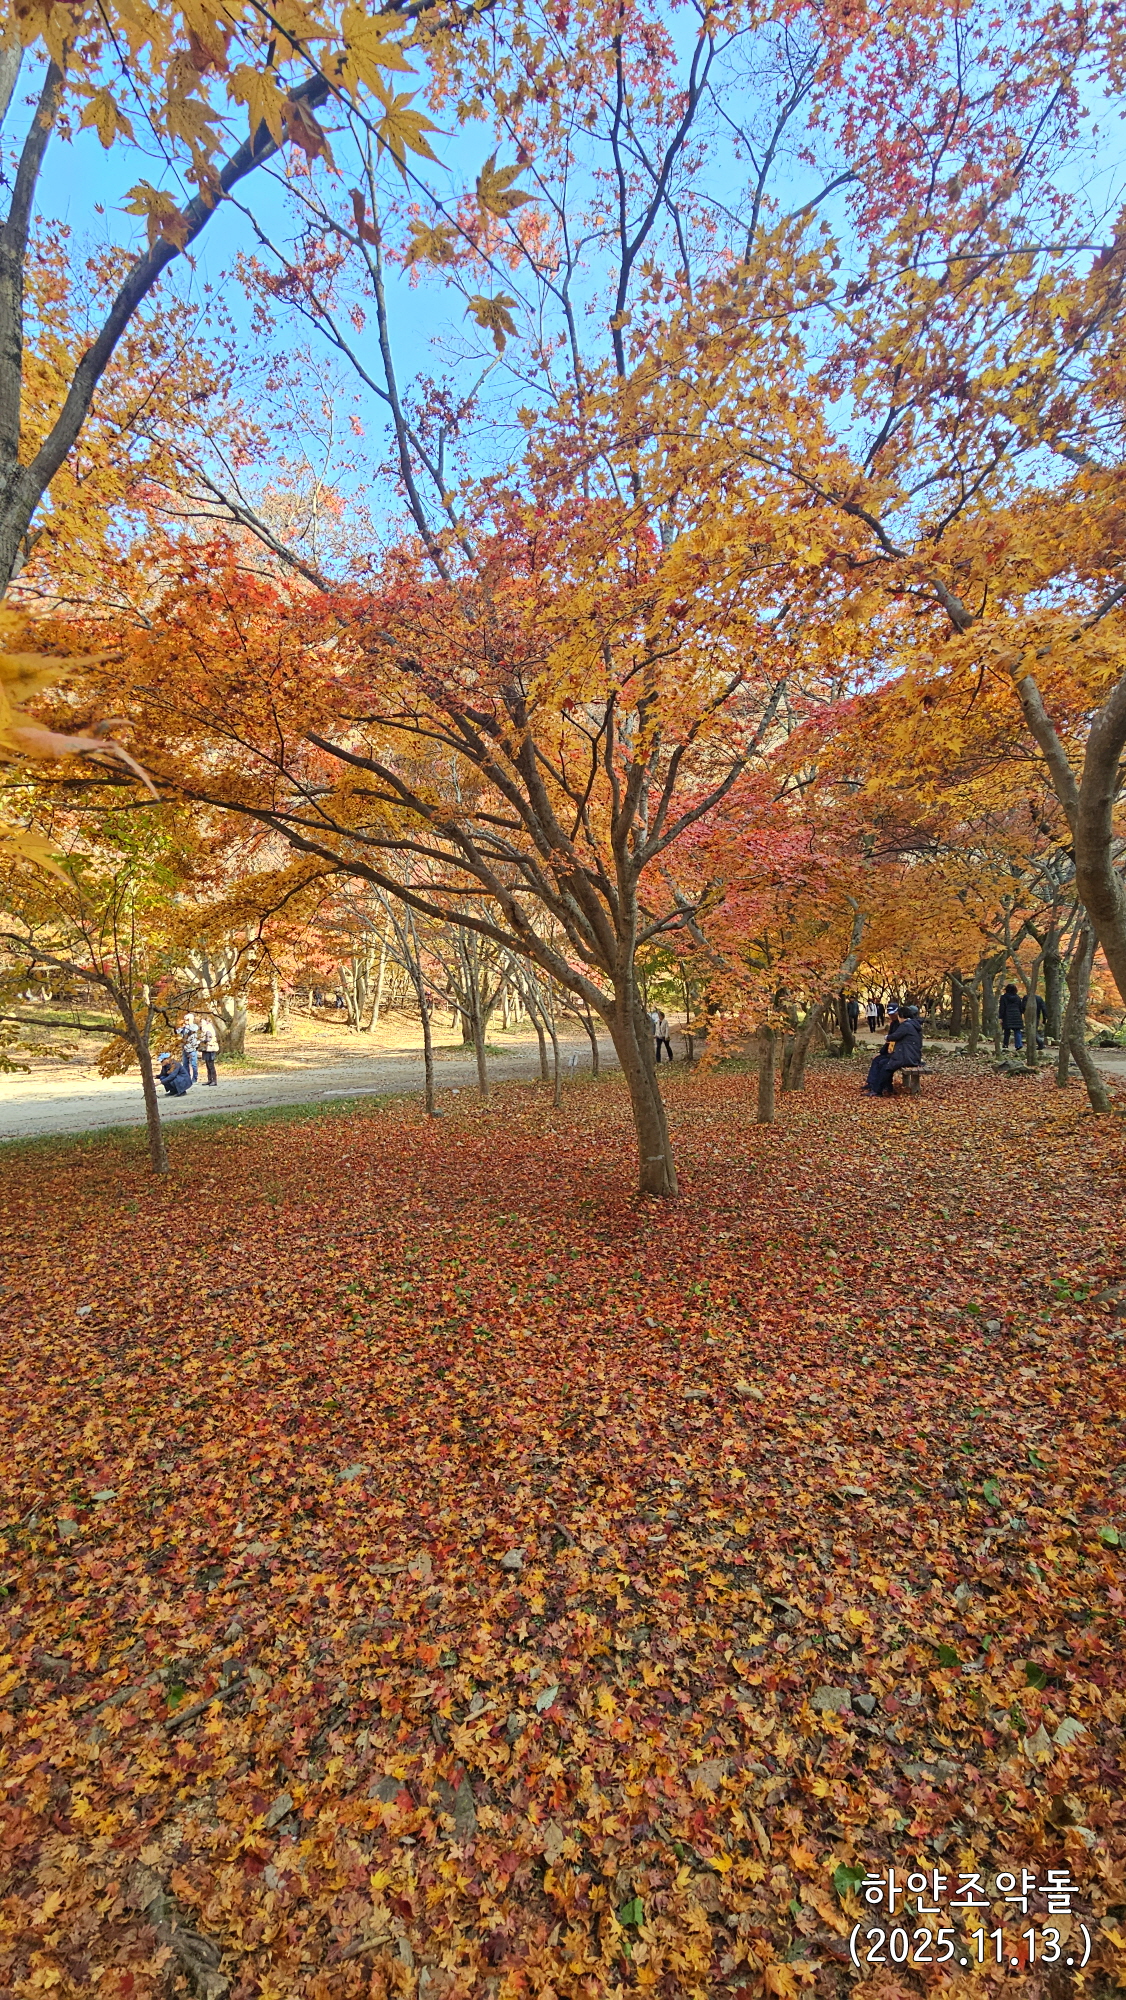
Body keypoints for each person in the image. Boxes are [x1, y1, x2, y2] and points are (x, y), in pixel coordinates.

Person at [861, 1004, 923, 1096]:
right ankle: (879, 1088)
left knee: (886, 1067)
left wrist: (886, 1037)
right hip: (909, 1055)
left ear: (901, 1016)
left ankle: (878, 1090)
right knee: (883, 1063)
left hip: (907, 1057)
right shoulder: (911, 1024)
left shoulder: (906, 1025)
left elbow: (893, 1036)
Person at [999, 982, 1024, 1051]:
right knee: (1017, 1030)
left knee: (1007, 1031)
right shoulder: (1017, 997)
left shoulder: (1004, 997)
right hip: (1017, 1015)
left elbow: (1002, 1008)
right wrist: (1020, 1015)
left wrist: (1001, 1017)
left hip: (1007, 1015)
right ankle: (1019, 1044)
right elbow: (1020, 1007)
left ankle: (1005, 1044)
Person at [198, 1014, 219, 1086]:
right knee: (207, 1065)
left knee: (211, 1065)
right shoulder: (203, 1029)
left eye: (202, 1022)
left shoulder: (208, 1029)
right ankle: (209, 1080)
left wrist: (201, 1040)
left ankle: (214, 1080)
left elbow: (208, 1039)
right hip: (206, 1049)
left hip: (210, 1048)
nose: (201, 1023)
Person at [179, 1011, 199, 1083]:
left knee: (193, 1064)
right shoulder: (184, 1028)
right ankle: (187, 1078)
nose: (186, 1021)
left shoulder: (194, 1026)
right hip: (185, 1048)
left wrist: (189, 1023)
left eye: (187, 1019)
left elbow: (193, 1029)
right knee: (185, 1064)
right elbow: (177, 1031)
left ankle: (194, 1078)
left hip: (192, 1049)